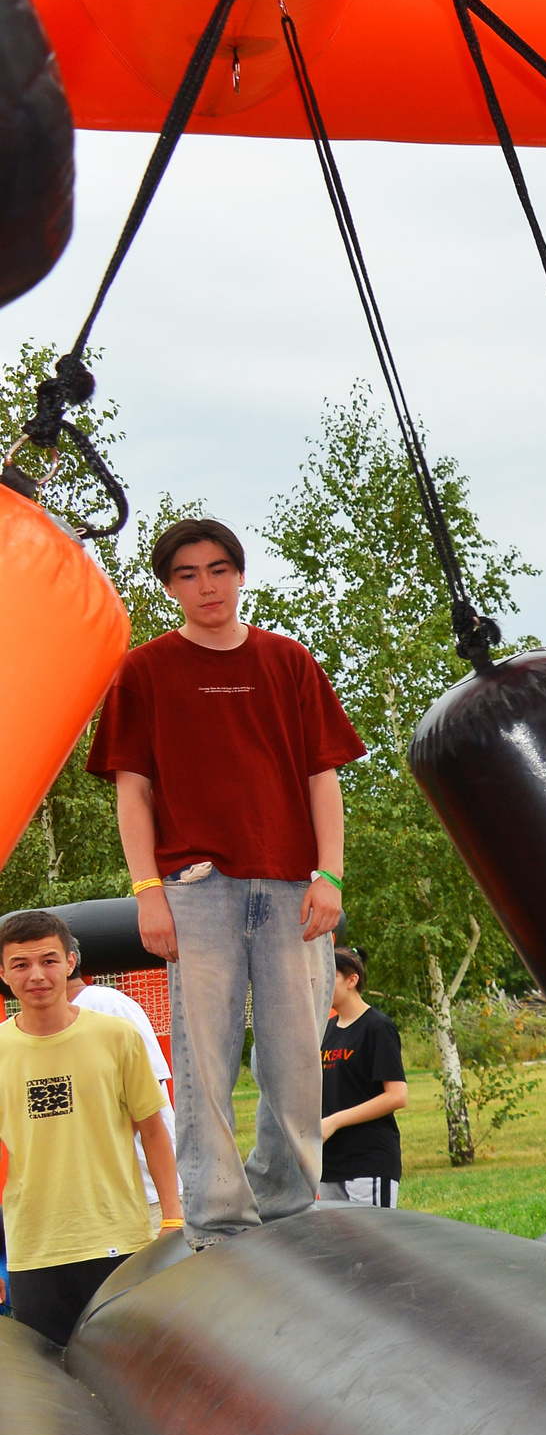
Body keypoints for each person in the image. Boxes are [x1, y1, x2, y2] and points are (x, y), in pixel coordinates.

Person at [86, 517, 366, 1247]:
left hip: (287, 888)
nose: (205, 586)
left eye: (217, 569)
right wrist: (147, 890)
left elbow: (321, 775)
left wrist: (329, 874)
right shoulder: (144, 671)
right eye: (186, 574)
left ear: (240, 575)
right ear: (169, 587)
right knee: (204, 1059)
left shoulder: (288, 661)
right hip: (194, 888)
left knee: (295, 1060)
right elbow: (132, 791)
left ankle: (286, 1201)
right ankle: (216, 1215)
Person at [0, 910, 180, 1346]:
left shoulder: (116, 1036)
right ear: (3, 974)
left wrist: (173, 1218)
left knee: (133, 1365)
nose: (37, 975)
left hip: (118, 1237)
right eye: (21, 965)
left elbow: (153, 1130)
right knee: (53, 1385)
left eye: (48, 960)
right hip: (33, 1247)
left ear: (70, 962)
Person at [63, 953, 178, 1220]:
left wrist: (104, 1153)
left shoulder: (106, 1004)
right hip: (97, 1193)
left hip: (143, 1189)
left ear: (69, 962)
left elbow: (147, 1087)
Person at [316, 949, 406, 1206]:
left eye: (328, 975)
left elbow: (397, 1096)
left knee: (373, 1246)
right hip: (329, 1166)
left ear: (351, 980)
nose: (319, 982)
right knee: (336, 1246)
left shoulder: (377, 1027)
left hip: (369, 1162)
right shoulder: (325, 1031)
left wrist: (334, 1121)